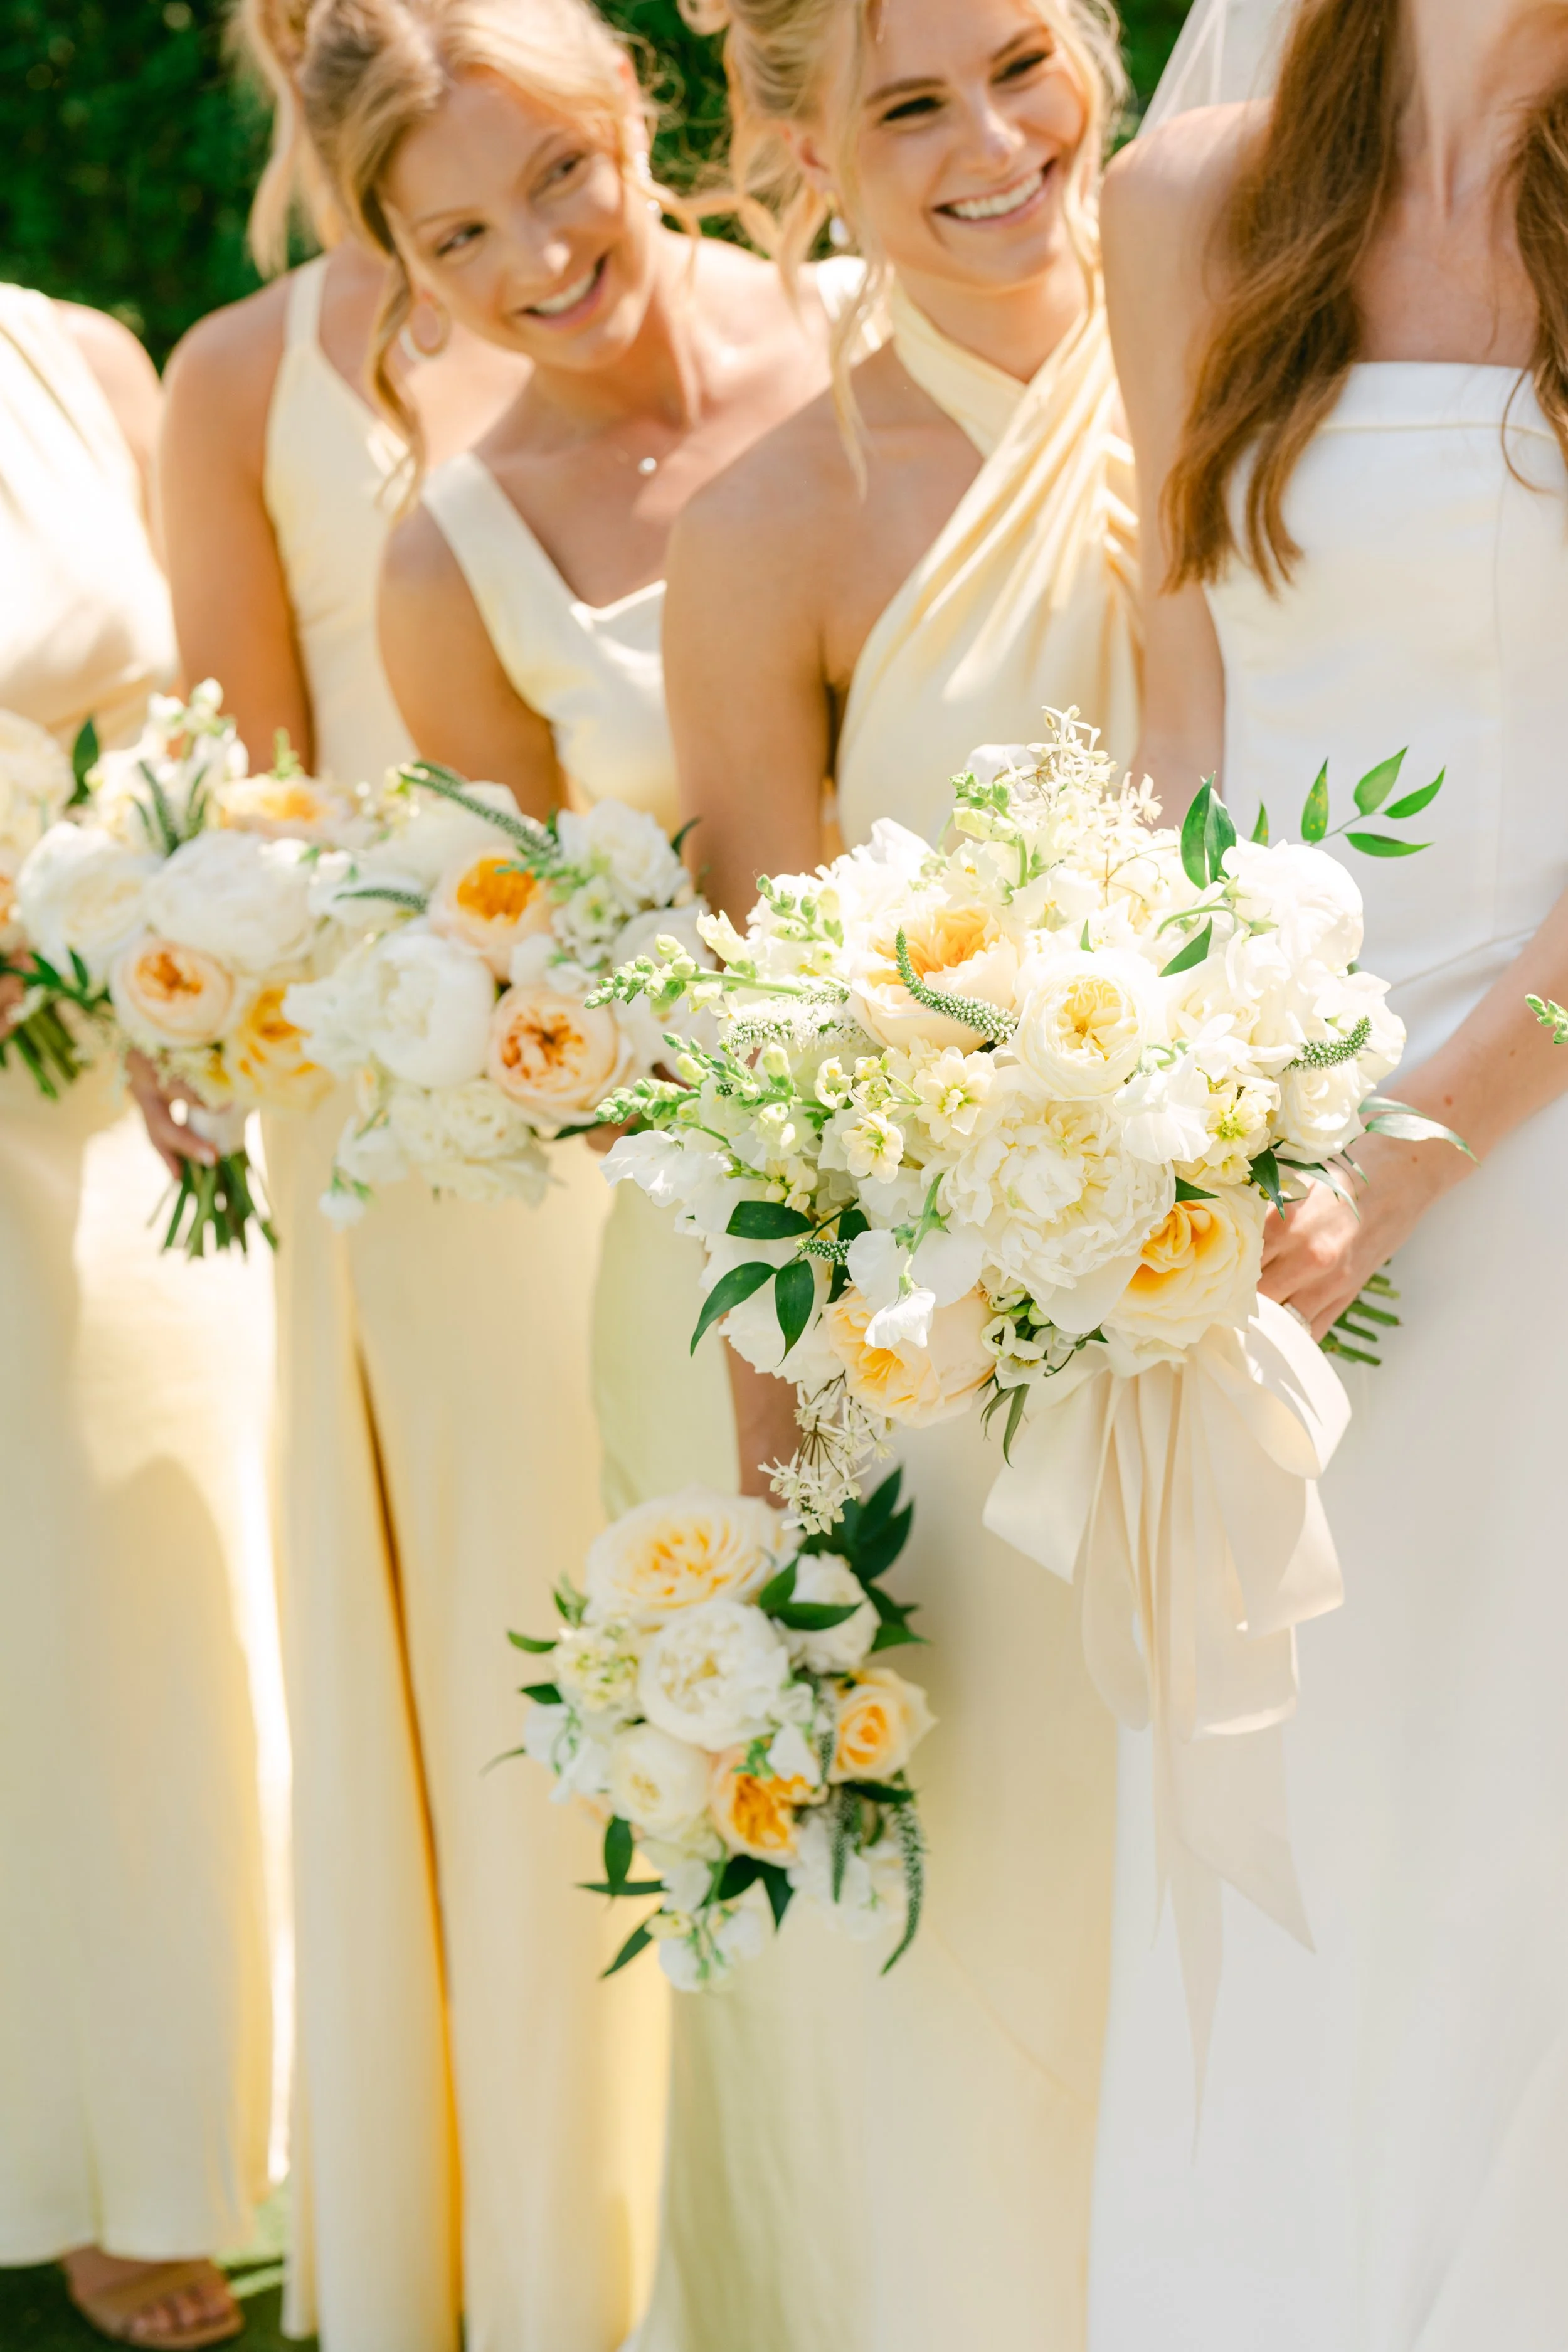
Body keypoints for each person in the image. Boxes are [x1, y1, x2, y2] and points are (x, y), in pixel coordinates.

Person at [159, 8, 655, 2349]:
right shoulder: (236, 376)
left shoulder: (684, 281)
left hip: (685, 1041)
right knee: (493, 1671)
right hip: (413, 1111)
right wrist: (201, 975)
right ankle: (522, 2254)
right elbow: (247, 782)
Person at [655, 1, 1139, 2344]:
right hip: (960, 1378)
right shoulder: (764, 529)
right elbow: (761, 1079)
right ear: (801, 160)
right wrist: (784, 1533)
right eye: (907, 106)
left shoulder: (1283, 365)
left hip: (1341, 1282)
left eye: (1019, 59)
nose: (992, 145)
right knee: (1025, 1970)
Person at [1086, 1, 1568, 2343]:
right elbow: (1188, 722)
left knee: (1508, 1853)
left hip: (1539, 1155)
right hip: (1242, 1180)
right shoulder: (1184, 210)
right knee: (1274, 1844)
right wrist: (1125, 1117)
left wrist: (1398, 1164)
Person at [0, 286, 279, 2349]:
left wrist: (152, 923)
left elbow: (200, 720)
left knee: (196, 1575)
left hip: (132, 1076)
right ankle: (81, 2149)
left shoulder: (72, 358)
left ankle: (233, 2113)